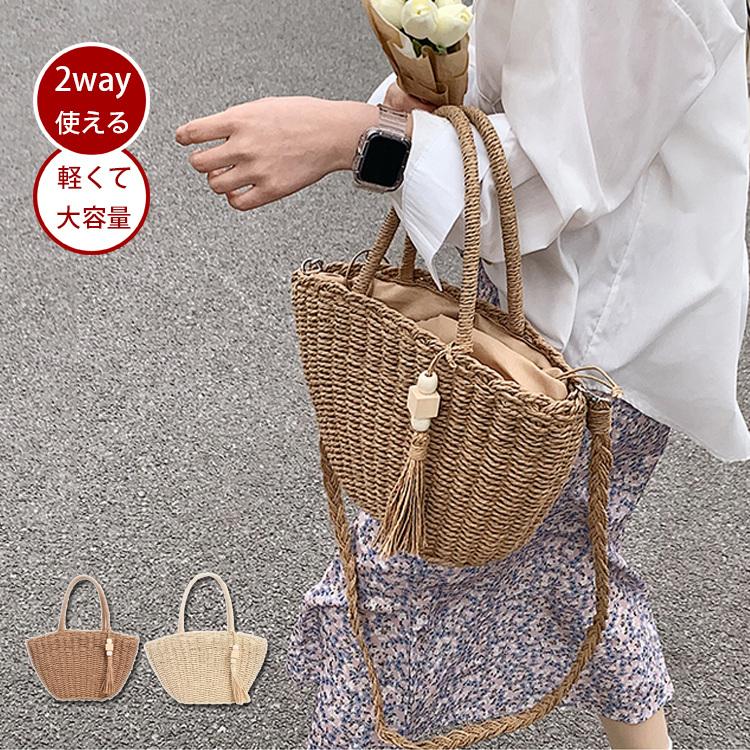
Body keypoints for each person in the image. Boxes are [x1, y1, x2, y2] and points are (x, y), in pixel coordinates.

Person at [175, 1, 750, 748]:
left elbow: (559, 169)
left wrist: (356, 136)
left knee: (392, 593)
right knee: (572, 561)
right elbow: (541, 77)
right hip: (586, 312)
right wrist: (421, 91)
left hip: (600, 332)